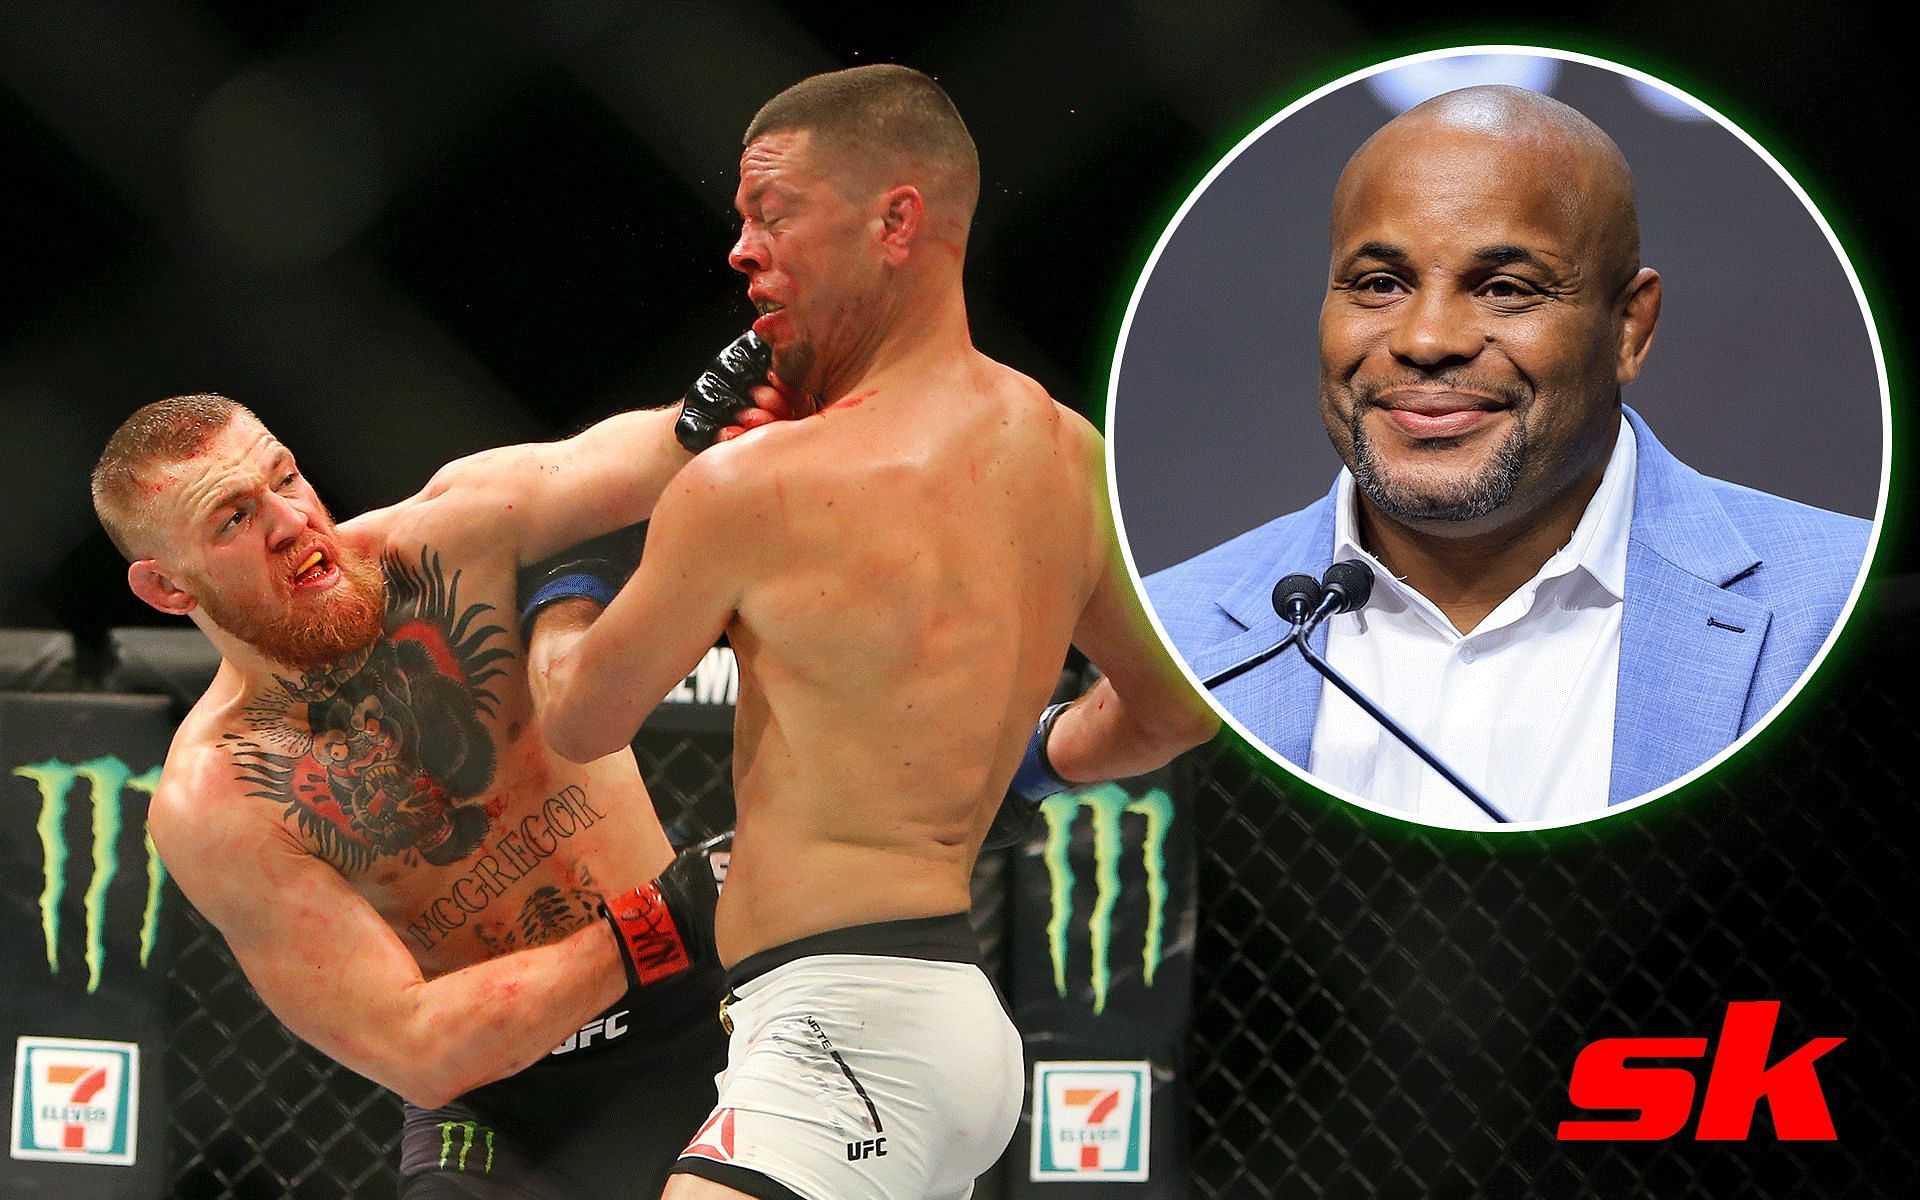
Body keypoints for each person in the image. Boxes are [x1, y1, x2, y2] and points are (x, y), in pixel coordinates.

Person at [531, 65, 1218, 1200]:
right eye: (741, 219)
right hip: (927, 1022)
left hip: (847, 1028)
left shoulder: (752, 484)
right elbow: (1175, 708)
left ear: (896, 220)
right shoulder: (1066, 459)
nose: (742, 250)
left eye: (774, 212)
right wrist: (1038, 763)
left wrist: (564, 590)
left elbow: (582, 715)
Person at [88, 349, 775, 1199]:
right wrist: (668, 914)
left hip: (707, 1010)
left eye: (286, 478)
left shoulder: (450, 538)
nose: (291, 521)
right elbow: (413, 1047)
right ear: (165, 589)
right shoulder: (218, 798)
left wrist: (738, 391)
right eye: (232, 519)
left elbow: (661, 451)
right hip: (501, 1099)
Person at [1144, 85, 1872, 825]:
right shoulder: (1160, 642)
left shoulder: (1845, 609)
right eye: (1380, 284)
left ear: (1629, 328)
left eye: (1503, 289)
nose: (1426, 340)